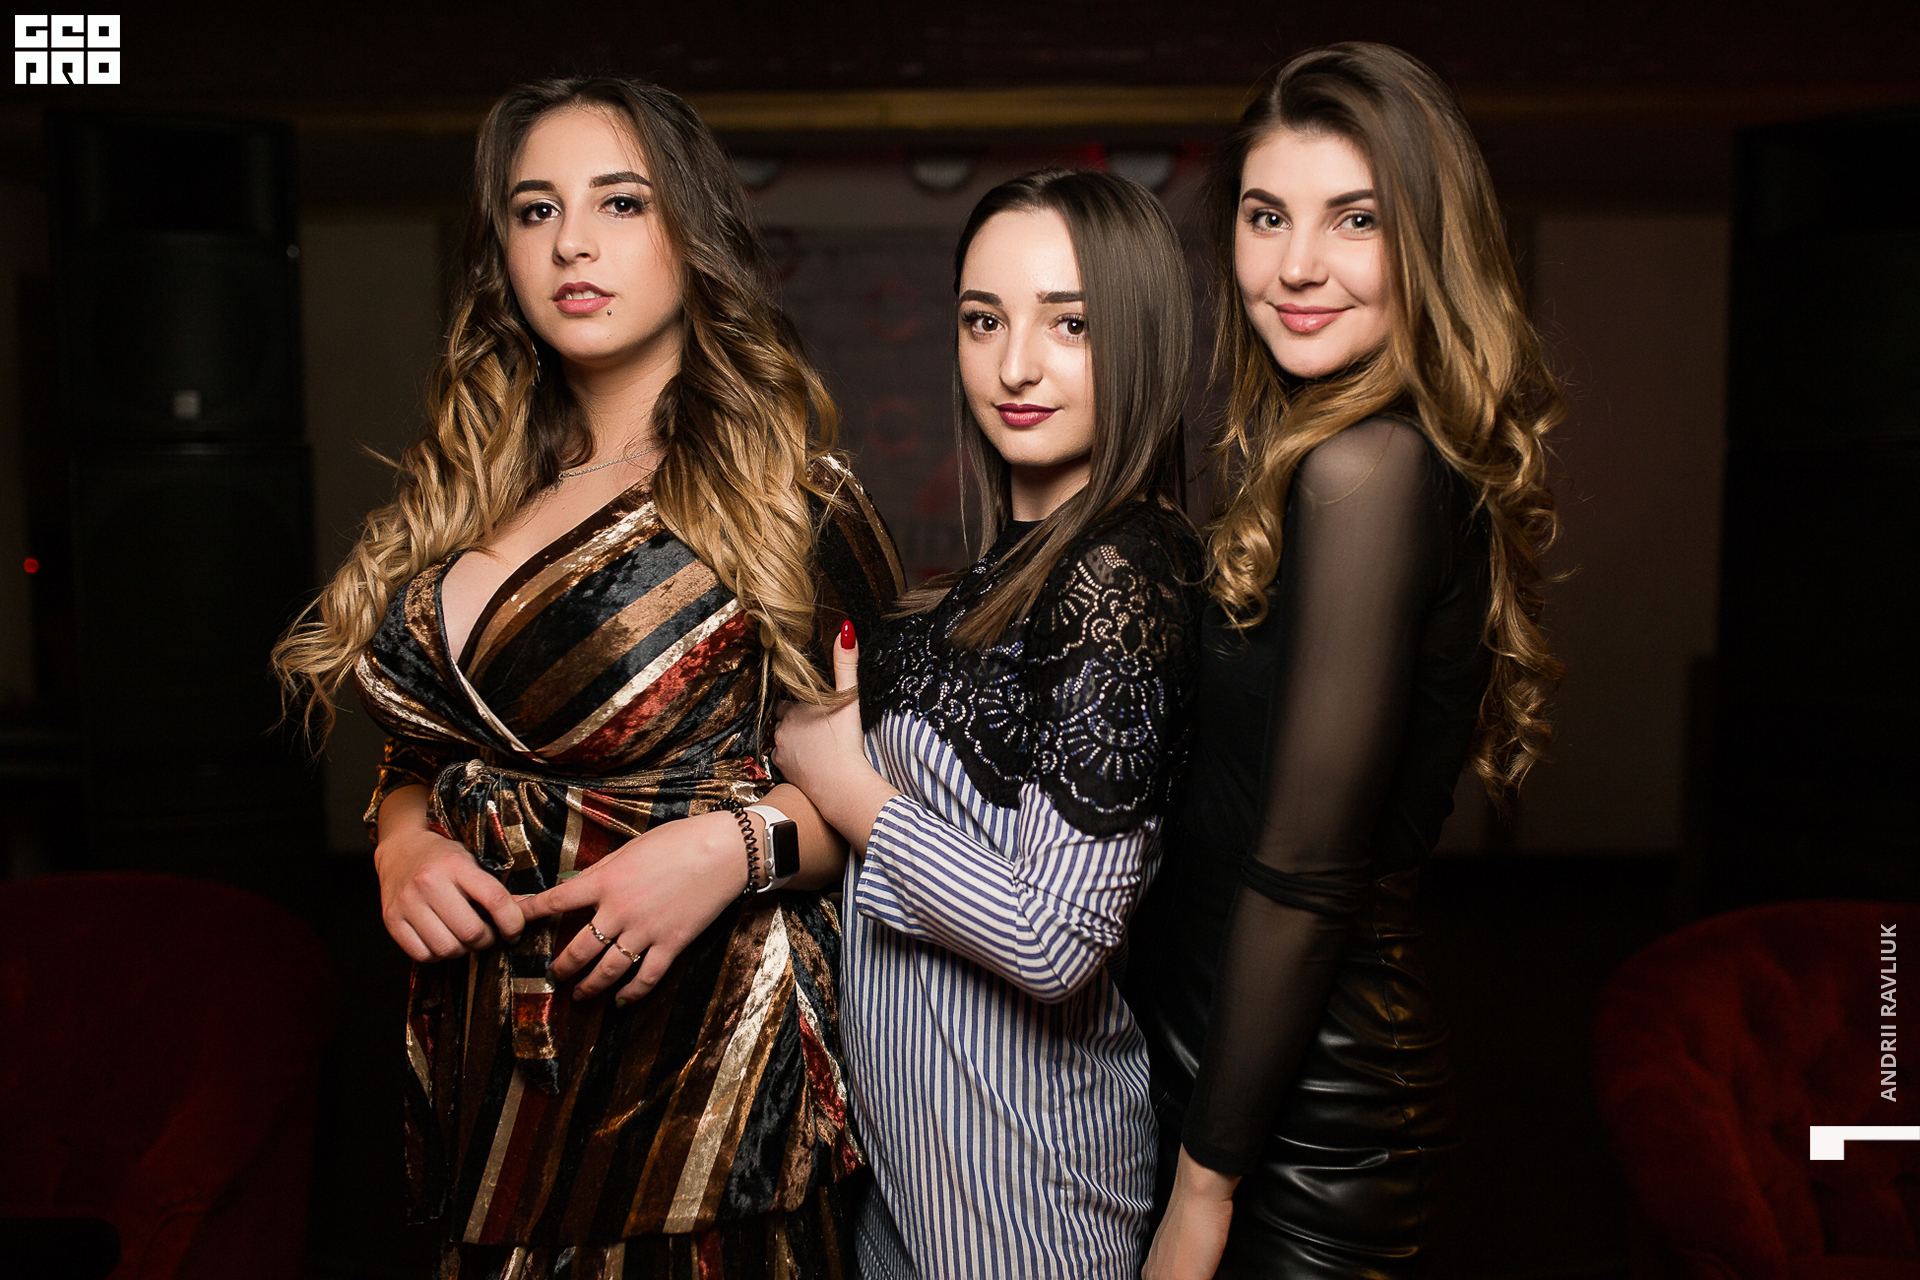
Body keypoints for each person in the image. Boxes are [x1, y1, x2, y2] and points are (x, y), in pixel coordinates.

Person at [273, 76, 903, 1278]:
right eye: (535, 208)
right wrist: (401, 844)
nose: (571, 242)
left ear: (692, 231)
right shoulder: (468, 487)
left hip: (704, 1110)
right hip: (487, 1095)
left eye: (621, 202)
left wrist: (732, 847)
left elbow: (882, 801)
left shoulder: (791, 500)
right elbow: (428, 751)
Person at [1130, 43, 1565, 1279]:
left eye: (1355, 219)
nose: (1297, 265)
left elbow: (1309, 870)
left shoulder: (1367, 467)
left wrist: (1203, 1191)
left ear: (1428, 241)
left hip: (1303, 1119)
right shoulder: (1338, 457)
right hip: (1230, 1072)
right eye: (1267, 216)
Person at [773, 168, 1203, 1280]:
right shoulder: (992, 579)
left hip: (1022, 1172)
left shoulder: (1121, 571)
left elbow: (1055, 938)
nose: (1015, 365)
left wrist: (844, 781)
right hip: (907, 1161)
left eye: (1071, 324)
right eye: (983, 320)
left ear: (1142, 340)